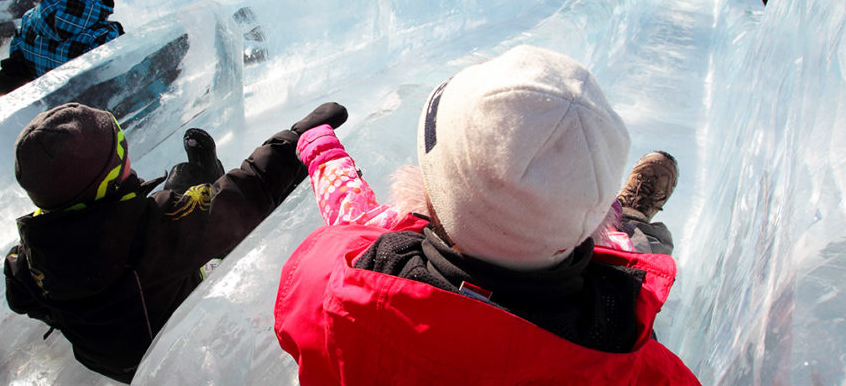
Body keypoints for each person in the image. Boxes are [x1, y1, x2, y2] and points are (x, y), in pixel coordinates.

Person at [273, 45, 700, 384]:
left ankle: (628, 217)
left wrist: (322, 152)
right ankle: (628, 216)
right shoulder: (636, 366)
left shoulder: (342, 286)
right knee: (630, 255)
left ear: (433, 192)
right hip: (583, 281)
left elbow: (352, 216)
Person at [5, 101, 349, 383]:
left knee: (178, 191)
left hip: (112, 363)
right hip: (177, 352)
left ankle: (197, 177)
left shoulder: (31, 254)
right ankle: (207, 175)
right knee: (211, 215)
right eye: (122, 151)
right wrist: (292, 142)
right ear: (108, 178)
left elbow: (19, 297)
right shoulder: (150, 232)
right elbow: (241, 197)